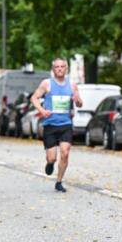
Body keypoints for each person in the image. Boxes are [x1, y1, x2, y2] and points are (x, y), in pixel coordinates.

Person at [31, 57, 83, 193]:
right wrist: (42, 111)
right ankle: (49, 163)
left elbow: (79, 103)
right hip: (50, 125)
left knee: (65, 153)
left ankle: (59, 182)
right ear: (53, 69)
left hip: (66, 124)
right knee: (52, 157)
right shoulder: (47, 83)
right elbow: (34, 98)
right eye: (57, 67)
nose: (60, 69)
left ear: (66, 69)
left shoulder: (72, 85)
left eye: (62, 67)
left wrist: (78, 101)